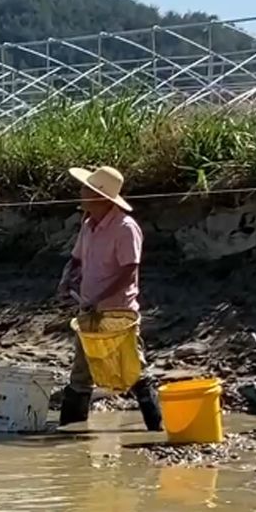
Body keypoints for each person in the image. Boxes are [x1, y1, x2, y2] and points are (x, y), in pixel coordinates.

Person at [55, 165, 163, 431]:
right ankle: (69, 435)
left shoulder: (126, 228)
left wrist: (99, 299)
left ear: (99, 196)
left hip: (117, 313)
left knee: (133, 370)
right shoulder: (88, 224)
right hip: (89, 310)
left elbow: (129, 272)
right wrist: (67, 278)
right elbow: (76, 259)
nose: (80, 193)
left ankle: (156, 428)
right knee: (81, 374)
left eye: (85, 189)